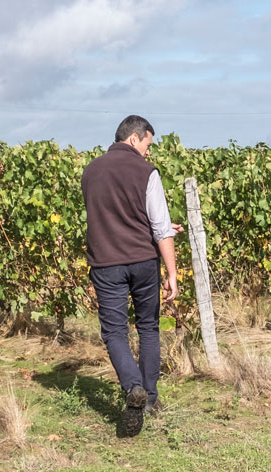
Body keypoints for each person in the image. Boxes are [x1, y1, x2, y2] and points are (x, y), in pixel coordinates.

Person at [81, 115, 181, 437]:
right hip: (142, 260)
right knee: (148, 327)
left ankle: (132, 386)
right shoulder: (146, 172)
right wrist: (172, 273)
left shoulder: (90, 171)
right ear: (134, 139)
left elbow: (110, 216)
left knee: (114, 332)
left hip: (106, 263)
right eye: (148, 145)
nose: (149, 153)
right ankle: (148, 397)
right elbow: (160, 228)